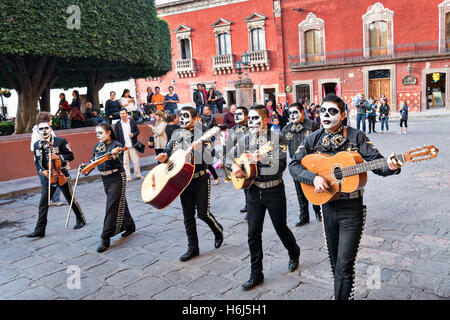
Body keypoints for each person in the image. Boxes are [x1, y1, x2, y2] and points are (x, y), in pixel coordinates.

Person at [289, 94, 403, 300]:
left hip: (351, 209)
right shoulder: (312, 139)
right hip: (327, 207)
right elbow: (294, 165)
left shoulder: (356, 136)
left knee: (344, 264)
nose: (326, 115)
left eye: (332, 111)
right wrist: (313, 178)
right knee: (335, 263)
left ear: (342, 115)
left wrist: (391, 166)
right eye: (323, 111)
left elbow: (377, 162)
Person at [228, 105, 301, 290]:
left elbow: (282, 164)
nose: (251, 122)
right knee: (253, 233)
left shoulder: (277, 138)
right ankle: (256, 273)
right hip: (253, 191)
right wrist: (233, 167)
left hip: (274, 191)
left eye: (255, 119)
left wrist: (263, 159)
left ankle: (294, 252)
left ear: (265, 120)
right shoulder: (245, 139)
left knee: (280, 228)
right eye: (249, 119)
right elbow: (228, 157)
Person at [156, 107, 224, 262]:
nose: (182, 120)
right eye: (181, 117)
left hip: (200, 178)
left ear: (195, 118)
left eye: (186, 117)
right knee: (188, 216)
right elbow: (169, 151)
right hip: (182, 180)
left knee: (202, 213)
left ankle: (218, 230)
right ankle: (192, 247)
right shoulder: (175, 133)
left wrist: (198, 150)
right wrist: (164, 157)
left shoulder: (203, 131)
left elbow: (210, 156)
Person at [27, 120, 86, 238]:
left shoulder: (60, 141)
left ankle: (81, 219)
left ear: (50, 129)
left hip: (61, 175)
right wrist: (41, 171)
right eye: (41, 129)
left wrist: (58, 156)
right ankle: (40, 229)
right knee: (43, 203)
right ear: (38, 131)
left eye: (46, 128)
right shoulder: (36, 144)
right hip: (47, 177)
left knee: (70, 198)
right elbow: (37, 162)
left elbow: (71, 156)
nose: (44, 131)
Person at [90, 123, 136, 252]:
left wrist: (115, 155)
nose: (98, 136)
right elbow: (93, 160)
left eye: (100, 133)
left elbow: (121, 162)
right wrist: (85, 166)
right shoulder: (98, 146)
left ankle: (105, 237)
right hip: (105, 179)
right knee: (119, 201)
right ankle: (130, 225)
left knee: (111, 206)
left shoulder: (117, 145)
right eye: (96, 133)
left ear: (108, 132)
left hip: (117, 178)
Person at [281, 102, 321, 227]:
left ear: (302, 112)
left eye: (295, 112)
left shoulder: (313, 125)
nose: (292, 115)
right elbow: (281, 148)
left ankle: (318, 212)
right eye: (290, 113)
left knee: (315, 188)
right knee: (299, 191)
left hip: (312, 164)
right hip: (296, 166)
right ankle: (304, 216)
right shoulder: (286, 129)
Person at [30, 112, 63, 206]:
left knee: (55, 178)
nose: (51, 120)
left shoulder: (50, 130)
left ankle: (55, 200)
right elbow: (33, 147)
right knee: (45, 181)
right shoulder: (37, 131)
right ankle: (47, 200)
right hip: (42, 160)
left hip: (52, 159)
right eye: (50, 119)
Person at [225, 106, 249, 215]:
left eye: (240, 114)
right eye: (236, 115)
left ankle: (253, 207)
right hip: (239, 159)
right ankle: (248, 204)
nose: (237, 117)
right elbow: (229, 146)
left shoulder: (252, 126)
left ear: (246, 116)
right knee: (244, 183)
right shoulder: (233, 130)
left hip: (252, 159)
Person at [114, 108, 142, 182]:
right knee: (125, 162)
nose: (122, 115)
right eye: (121, 114)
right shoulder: (117, 124)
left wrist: (133, 134)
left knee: (136, 160)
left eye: (123, 113)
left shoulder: (132, 122)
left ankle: (138, 175)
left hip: (132, 145)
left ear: (127, 114)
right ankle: (128, 177)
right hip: (123, 146)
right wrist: (119, 146)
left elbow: (137, 131)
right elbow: (116, 136)